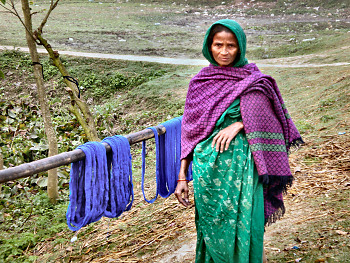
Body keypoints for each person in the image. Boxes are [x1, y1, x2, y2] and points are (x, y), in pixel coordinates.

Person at [174, 19, 303, 263]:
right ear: (208, 46)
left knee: (247, 222)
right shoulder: (199, 83)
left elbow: (272, 121)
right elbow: (189, 133)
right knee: (212, 229)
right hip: (207, 172)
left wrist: (241, 123)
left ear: (240, 47)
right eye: (218, 44)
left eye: (231, 46)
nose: (224, 52)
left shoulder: (256, 81)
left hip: (244, 167)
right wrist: (182, 176)